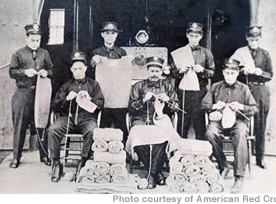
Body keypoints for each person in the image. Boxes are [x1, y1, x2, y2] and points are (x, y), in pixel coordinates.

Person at [201, 58, 258, 193]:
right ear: (223, 73)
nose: (230, 76)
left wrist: (242, 107)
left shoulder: (244, 88)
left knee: (241, 133)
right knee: (210, 132)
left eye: (233, 73)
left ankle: (239, 177)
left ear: (237, 73)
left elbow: (254, 108)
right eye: (227, 73)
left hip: (238, 121)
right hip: (219, 120)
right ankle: (223, 164)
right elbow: (203, 105)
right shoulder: (215, 87)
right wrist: (215, 105)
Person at [48, 52, 104, 182]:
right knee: (52, 130)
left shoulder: (93, 85)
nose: (78, 71)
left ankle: (83, 161)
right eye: (75, 69)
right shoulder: (66, 85)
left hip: (87, 118)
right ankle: (56, 163)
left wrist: (90, 99)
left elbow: (101, 104)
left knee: (92, 131)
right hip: (68, 118)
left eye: (80, 68)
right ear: (71, 70)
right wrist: (66, 99)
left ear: (85, 68)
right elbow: (54, 105)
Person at [126, 56, 180, 189]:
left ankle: (152, 175)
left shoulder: (167, 86)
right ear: (147, 71)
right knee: (136, 135)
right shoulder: (138, 86)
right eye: (152, 71)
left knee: (163, 136)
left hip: (160, 119)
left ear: (161, 72)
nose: (154, 74)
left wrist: (168, 100)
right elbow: (131, 108)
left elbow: (176, 107)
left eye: (157, 71)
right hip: (141, 118)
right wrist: (143, 100)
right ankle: (156, 173)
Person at [9, 23, 53, 168]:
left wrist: (47, 73)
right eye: (33, 40)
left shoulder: (44, 53)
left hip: (40, 93)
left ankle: (44, 156)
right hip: (23, 94)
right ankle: (16, 157)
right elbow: (12, 72)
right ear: (27, 39)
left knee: (42, 124)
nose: (35, 43)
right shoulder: (18, 54)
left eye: (38, 40)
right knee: (20, 125)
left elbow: (52, 69)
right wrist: (24, 72)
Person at [231, 25, 273, 169]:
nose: (253, 41)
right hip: (245, 90)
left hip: (261, 91)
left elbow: (270, 75)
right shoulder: (240, 53)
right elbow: (231, 69)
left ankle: (260, 157)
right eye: (251, 39)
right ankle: (241, 156)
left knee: (260, 123)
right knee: (241, 121)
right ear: (246, 38)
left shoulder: (265, 54)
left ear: (259, 39)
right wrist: (242, 70)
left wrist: (260, 72)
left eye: (256, 39)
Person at [171, 22, 215, 140]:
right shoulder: (180, 52)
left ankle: (200, 153)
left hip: (199, 92)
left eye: (197, 36)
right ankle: (180, 152)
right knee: (182, 123)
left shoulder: (206, 53)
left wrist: (203, 70)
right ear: (187, 35)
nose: (194, 39)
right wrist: (180, 71)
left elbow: (212, 73)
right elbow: (172, 73)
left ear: (201, 36)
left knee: (199, 123)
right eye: (191, 35)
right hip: (183, 92)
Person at [90, 22, 129, 143]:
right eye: (107, 33)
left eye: (113, 33)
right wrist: (93, 62)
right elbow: (91, 73)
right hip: (102, 94)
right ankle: (100, 150)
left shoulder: (122, 52)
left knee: (121, 125)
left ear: (116, 35)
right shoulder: (96, 52)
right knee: (102, 124)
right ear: (102, 35)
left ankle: (123, 152)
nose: (110, 36)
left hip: (118, 96)